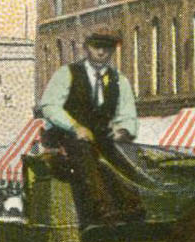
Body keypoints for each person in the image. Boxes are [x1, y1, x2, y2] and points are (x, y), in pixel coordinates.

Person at [36, 27, 146, 228]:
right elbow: (49, 106)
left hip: (102, 138)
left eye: (107, 48)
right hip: (66, 137)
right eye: (97, 46)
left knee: (126, 154)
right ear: (87, 48)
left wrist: (122, 131)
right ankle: (102, 210)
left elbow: (128, 115)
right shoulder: (66, 74)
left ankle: (132, 209)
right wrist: (75, 126)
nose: (101, 52)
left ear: (112, 50)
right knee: (83, 149)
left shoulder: (119, 81)